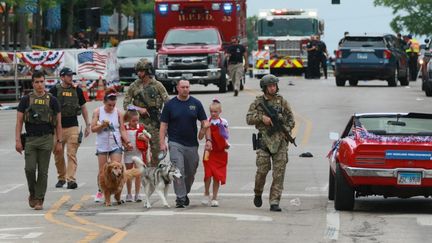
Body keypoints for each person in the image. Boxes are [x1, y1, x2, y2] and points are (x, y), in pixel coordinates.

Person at [246, 74, 295, 212]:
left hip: (280, 142)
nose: (273, 88)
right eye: (270, 86)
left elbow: (291, 119)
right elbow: (248, 118)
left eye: (274, 85)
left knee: (279, 173)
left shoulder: (282, 102)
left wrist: (286, 130)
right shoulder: (258, 102)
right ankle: (258, 192)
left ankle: (274, 201)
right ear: (264, 88)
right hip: (264, 142)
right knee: (262, 171)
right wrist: (262, 118)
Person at [159, 80, 211, 208]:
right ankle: (180, 198)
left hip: (192, 144)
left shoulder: (196, 103)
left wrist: (208, 140)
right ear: (177, 88)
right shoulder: (170, 105)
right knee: (178, 170)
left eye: (187, 87)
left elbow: (205, 122)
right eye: (182, 87)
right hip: (175, 143)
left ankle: (185, 192)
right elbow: (163, 125)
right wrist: (162, 142)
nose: (185, 89)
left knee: (191, 172)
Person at [15, 71, 63, 210]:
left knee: (43, 171)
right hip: (30, 139)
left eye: (42, 81)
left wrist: (59, 141)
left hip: (47, 138)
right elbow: (19, 122)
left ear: (45, 82)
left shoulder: (52, 100)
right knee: (29, 169)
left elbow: (58, 124)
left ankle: (39, 199)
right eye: (37, 82)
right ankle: (33, 193)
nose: (39, 84)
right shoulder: (25, 100)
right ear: (32, 83)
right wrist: (18, 140)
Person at [49, 67, 91, 190]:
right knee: (58, 154)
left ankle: (71, 179)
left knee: (71, 154)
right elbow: (48, 107)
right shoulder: (54, 90)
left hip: (73, 125)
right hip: (57, 128)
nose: (71, 77)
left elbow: (83, 107)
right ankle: (61, 177)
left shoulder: (77, 90)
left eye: (71, 75)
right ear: (62, 77)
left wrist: (88, 124)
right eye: (68, 75)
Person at [123, 58, 169, 167]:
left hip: (155, 122)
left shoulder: (157, 85)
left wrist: (166, 120)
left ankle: (151, 169)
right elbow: (126, 105)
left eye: (141, 71)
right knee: (140, 149)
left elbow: (168, 102)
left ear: (148, 71)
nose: (139, 73)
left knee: (157, 151)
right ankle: (144, 170)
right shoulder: (134, 86)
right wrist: (139, 109)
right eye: (138, 71)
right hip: (139, 123)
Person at [91, 92, 132, 202]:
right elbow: (93, 128)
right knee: (103, 171)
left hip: (115, 144)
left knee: (118, 169)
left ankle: (117, 192)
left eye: (113, 105)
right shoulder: (98, 111)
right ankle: (101, 190)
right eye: (109, 105)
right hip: (102, 144)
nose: (111, 107)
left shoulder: (118, 113)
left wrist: (127, 141)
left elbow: (122, 129)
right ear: (104, 102)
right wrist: (102, 125)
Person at [199, 99, 230, 207]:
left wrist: (227, 143)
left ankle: (215, 197)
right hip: (209, 152)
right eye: (211, 111)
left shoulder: (224, 122)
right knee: (208, 174)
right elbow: (200, 137)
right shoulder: (206, 121)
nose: (213, 114)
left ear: (220, 111)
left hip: (220, 152)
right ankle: (206, 192)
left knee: (217, 175)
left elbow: (226, 136)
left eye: (215, 112)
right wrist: (204, 128)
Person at [123, 109, 150, 202]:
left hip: (138, 153)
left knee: (138, 174)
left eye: (137, 120)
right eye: (133, 121)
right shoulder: (125, 128)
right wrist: (125, 145)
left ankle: (137, 194)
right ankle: (129, 193)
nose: (135, 122)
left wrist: (144, 138)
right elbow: (122, 139)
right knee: (129, 174)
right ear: (128, 120)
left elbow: (148, 139)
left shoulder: (141, 128)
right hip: (128, 153)